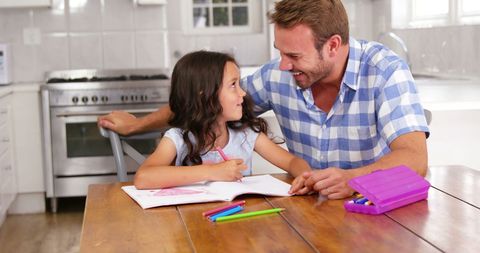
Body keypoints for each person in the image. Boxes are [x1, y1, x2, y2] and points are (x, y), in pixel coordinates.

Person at [99, 0, 429, 199]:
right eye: (280, 52)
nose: (283, 65)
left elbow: (415, 158)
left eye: (293, 55)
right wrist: (139, 124)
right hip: (306, 207)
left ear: (332, 45)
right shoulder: (278, 75)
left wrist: (352, 180)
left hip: (370, 208)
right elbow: (201, 101)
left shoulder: (386, 71)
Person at [133, 50, 312, 194]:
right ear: (204, 94)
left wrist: (305, 176)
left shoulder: (246, 135)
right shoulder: (178, 139)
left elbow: (291, 162)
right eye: (233, 85)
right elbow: (143, 177)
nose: (243, 93)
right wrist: (212, 171)